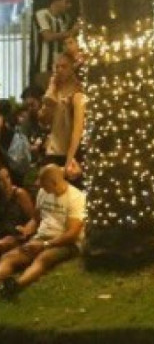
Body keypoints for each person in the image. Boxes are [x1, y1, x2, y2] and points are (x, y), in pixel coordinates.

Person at [0, 165, 84, 300]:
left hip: (65, 242)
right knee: (9, 257)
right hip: (41, 238)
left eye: (43, 182)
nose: (38, 184)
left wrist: (45, 245)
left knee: (43, 258)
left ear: (54, 183)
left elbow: (72, 234)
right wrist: (28, 229)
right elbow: (36, 219)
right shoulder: (43, 193)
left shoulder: (76, 198)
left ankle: (16, 286)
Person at [39, 52, 85, 184]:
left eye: (64, 66)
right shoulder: (54, 91)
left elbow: (78, 130)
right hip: (52, 150)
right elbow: (44, 121)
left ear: (72, 68)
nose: (59, 70)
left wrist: (69, 160)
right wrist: (50, 92)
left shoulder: (78, 93)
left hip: (70, 152)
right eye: (57, 67)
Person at [33, 0, 76, 79]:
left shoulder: (65, 19)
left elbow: (66, 40)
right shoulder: (42, 14)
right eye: (66, 2)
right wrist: (71, 32)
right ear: (56, 1)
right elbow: (47, 36)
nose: (69, 5)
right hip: (45, 68)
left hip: (61, 70)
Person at [0, 163, 35, 255]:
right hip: (3, 233)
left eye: (7, 177)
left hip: (17, 235)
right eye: (0, 180)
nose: (6, 182)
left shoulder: (19, 194)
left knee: (3, 243)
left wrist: (26, 229)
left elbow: (34, 218)